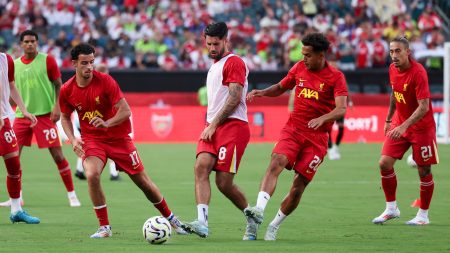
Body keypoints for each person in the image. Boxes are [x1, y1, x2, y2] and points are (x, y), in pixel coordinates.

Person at [59, 43, 186, 238]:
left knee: (143, 182)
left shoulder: (106, 81)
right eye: (84, 63)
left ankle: (172, 219)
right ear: (74, 63)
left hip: (118, 139)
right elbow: (65, 117)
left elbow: (126, 111)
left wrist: (107, 123)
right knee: (92, 174)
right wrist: (73, 139)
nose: (89, 67)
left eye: (92, 62)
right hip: (92, 140)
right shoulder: (67, 89)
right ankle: (104, 227)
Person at [245, 33, 348, 240]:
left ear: (321, 55)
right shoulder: (299, 68)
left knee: (298, 186)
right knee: (277, 161)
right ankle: (258, 212)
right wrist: (263, 92)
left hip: (317, 139)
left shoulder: (336, 77)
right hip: (293, 129)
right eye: (303, 54)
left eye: (308, 55)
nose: (304, 59)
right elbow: (281, 87)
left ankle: (274, 226)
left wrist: (323, 118)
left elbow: (342, 109)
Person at [180, 22, 253, 239]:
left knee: (223, 183)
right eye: (209, 43)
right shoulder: (215, 64)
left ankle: (252, 217)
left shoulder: (234, 62)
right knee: (200, 167)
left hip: (233, 125)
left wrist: (213, 124)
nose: (212, 48)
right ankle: (202, 223)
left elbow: (235, 96)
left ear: (226, 40)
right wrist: (210, 124)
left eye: (216, 43)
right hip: (212, 125)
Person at [4, 30, 80, 207]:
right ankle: (17, 198)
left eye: (33, 41)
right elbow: (12, 91)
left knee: (58, 156)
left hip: (45, 116)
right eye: (26, 42)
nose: (30, 44)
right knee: (13, 158)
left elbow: (58, 84)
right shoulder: (14, 64)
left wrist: (57, 107)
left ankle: (72, 195)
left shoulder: (48, 60)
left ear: (37, 43)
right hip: (22, 117)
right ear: (21, 44)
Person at [372, 36, 437, 226]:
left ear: (408, 52)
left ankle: (423, 215)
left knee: (424, 170)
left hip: (422, 128)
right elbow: (395, 93)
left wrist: (403, 126)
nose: (394, 55)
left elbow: (424, 106)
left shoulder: (418, 72)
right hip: (400, 123)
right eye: (391, 51)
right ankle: (391, 209)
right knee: (384, 163)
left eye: (398, 51)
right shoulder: (392, 69)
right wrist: (389, 118)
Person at [0, 51, 40, 223]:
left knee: (14, 164)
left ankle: (16, 210)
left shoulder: (6, 59)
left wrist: (23, 110)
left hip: (3, 120)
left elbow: (11, 85)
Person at [73, 63, 122, 181]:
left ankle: (80, 170)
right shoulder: (104, 86)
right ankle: (114, 173)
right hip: (95, 121)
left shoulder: (85, 83)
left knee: (87, 146)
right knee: (111, 144)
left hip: (82, 120)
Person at [327, 92, 353, 160]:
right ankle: (330, 149)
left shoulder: (341, 81)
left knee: (341, 128)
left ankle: (336, 147)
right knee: (328, 129)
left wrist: (349, 101)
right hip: (329, 106)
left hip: (339, 107)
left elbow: (346, 90)